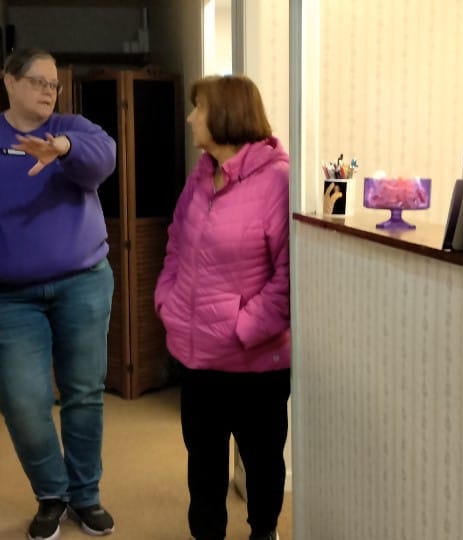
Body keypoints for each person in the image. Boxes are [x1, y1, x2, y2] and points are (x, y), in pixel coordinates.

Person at [0, 48, 117, 540]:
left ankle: (85, 495)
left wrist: (63, 148)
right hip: (9, 297)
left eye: (54, 84)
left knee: (84, 393)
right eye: (38, 81)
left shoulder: (72, 129)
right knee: (24, 401)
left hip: (83, 283)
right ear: (9, 81)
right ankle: (51, 494)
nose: (49, 91)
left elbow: (103, 159)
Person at [154, 75, 291, 540]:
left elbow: (288, 279)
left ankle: (264, 532)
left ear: (227, 115)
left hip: (254, 362)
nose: (191, 118)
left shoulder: (277, 181)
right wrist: (168, 301)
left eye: (200, 108)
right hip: (198, 358)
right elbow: (176, 242)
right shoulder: (201, 176)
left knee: (262, 463)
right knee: (204, 465)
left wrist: (241, 328)